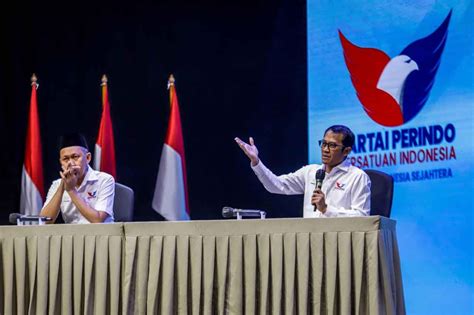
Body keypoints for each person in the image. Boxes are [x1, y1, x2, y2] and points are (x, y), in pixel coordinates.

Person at [235, 125, 370, 217]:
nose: (325, 149)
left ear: (347, 150)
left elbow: (362, 216)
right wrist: (256, 162)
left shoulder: (357, 177)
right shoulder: (311, 172)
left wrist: (326, 209)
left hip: (340, 243)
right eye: (324, 143)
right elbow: (276, 185)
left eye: (332, 145)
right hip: (309, 241)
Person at [40, 133, 115, 223]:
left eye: (75, 157)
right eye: (65, 159)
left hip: (101, 235)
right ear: (61, 162)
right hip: (72, 236)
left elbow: (98, 220)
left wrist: (71, 190)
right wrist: (63, 185)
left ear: (88, 158)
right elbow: (44, 221)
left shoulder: (104, 180)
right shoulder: (57, 184)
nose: (70, 163)